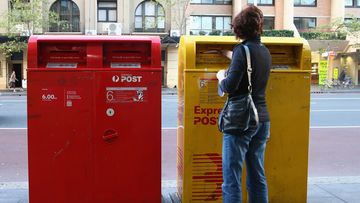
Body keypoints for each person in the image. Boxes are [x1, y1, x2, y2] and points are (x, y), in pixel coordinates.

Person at [216, 5, 271, 203]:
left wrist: (221, 76)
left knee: (232, 178)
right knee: (257, 175)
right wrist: (231, 56)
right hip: (262, 120)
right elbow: (250, 65)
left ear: (239, 28)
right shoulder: (264, 51)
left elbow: (230, 86)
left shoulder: (242, 50)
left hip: (241, 120)